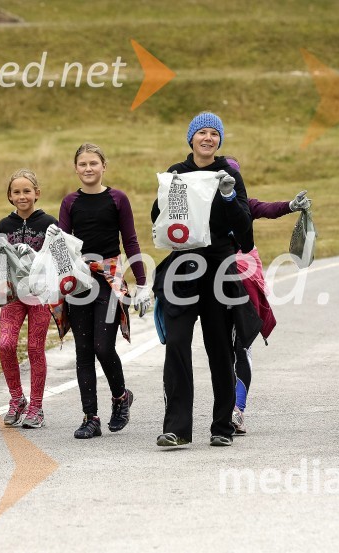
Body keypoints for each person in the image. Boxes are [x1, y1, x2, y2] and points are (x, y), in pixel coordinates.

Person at [152, 112, 254, 447]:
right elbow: (160, 222)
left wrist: (227, 197)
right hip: (183, 267)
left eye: (214, 133)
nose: (208, 138)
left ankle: (222, 426)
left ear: (219, 140)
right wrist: (164, 201)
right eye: (202, 133)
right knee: (178, 343)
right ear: (191, 138)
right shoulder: (176, 174)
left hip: (219, 266)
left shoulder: (230, 175)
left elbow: (246, 236)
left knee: (220, 348)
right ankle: (177, 429)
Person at [51, 143, 150, 439]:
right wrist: (60, 278)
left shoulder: (118, 199)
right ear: (76, 168)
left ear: (104, 166)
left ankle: (121, 398)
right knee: (83, 350)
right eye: (82, 164)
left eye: (93, 163)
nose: (88, 168)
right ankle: (90, 417)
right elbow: (62, 245)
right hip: (79, 281)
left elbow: (130, 241)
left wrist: (142, 284)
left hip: (108, 279)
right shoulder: (70, 202)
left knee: (103, 346)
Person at [224, 156, 312, 435]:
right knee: (223, 350)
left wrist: (291, 206)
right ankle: (224, 408)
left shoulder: (244, 205)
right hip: (213, 280)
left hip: (246, 281)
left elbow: (269, 208)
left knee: (241, 347)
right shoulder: (204, 208)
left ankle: (237, 410)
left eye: (234, 179)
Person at [0, 169, 58, 429]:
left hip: (39, 296)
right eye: (16, 192)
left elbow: (58, 259)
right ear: (10, 196)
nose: (22, 196)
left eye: (27, 191)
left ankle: (37, 406)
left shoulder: (49, 223)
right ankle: (17, 399)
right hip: (13, 297)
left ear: (37, 193)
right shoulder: (4, 226)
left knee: (35, 348)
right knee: (6, 344)